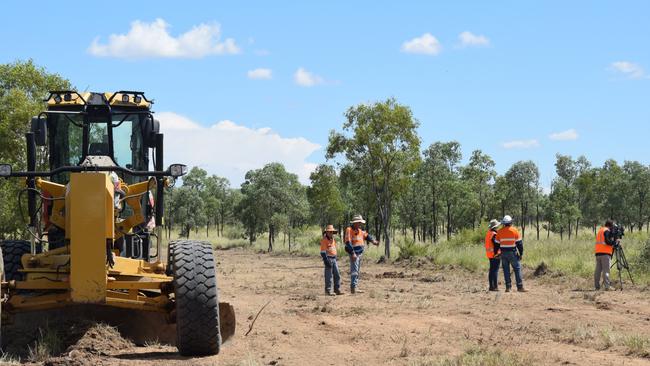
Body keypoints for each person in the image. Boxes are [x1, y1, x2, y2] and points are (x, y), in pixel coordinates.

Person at [344, 215, 379, 294]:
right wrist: (353, 253)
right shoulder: (349, 230)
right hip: (354, 254)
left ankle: (355, 286)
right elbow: (348, 242)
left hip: (359, 253)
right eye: (359, 222)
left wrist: (373, 241)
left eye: (360, 223)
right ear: (355, 223)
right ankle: (353, 287)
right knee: (354, 270)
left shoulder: (360, 231)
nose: (360, 224)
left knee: (357, 270)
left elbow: (367, 236)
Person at [494, 215, 527, 292]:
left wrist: (496, 253)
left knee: (506, 270)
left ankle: (508, 287)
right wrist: (521, 253)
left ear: (503, 223)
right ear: (510, 222)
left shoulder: (499, 231)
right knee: (517, 268)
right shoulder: (514, 230)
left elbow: (496, 245)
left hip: (503, 253)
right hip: (512, 253)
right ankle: (520, 287)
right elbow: (519, 244)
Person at [594, 219, 618, 290]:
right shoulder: (606, 231)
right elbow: (607, 241)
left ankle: (597, 286)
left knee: (598, 270)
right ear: (610, 225)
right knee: (606, 270)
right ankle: (607, 286)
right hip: (605, 253)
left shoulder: (601, 230)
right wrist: (614, 243)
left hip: (598, 253)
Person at [320, 225, 342, 296]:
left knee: (337, 274)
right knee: (328, 276)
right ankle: (328, 290)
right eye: (329, 232)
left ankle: (337, 289)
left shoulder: (333, 240)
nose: (331, 233)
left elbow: (334, 249)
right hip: (328, 258)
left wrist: (336, 256)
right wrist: (326, 261)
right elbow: (323, 252)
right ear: (326, 232)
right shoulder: (324, 240)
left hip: (334, 259)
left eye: (332, 232)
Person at [485, 219, 501, 291]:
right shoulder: (494, 234)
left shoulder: (488, 233)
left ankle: (491, 286)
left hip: (489, 254)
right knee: (495, 270)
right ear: (495, 227)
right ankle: (495, 287)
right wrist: (497, 254)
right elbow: (496, 245)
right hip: (495, 255)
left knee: (491, 270)